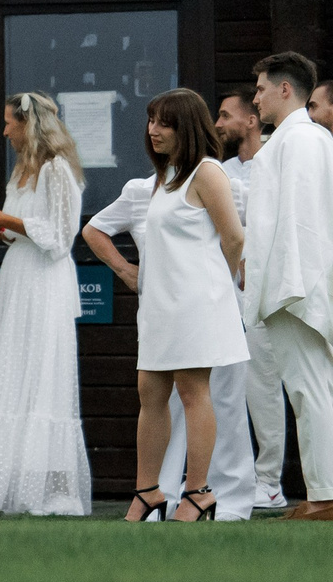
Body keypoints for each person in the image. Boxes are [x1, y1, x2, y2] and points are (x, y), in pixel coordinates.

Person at [99, 90, 247, 521]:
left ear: (187, 126)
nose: (153, 130)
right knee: (150, 391)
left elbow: (234, 237)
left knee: (192, 391)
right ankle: (149, 493)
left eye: (164, 122)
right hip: (162, 306)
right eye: (150, 121)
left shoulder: (207, 172)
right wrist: (129, 272)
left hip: (197, 303)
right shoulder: (165, 177)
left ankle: (198, 494)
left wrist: (219, 281)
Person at [0, 94, 91, 515]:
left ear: (30, 125)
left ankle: (49, 489)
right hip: (18, 277)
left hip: (46, 281)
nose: (4, 130)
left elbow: (61, 236)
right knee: (12, 368)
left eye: (10, 123)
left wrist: (6, 221)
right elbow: (23, 231)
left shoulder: (57, 170)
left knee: (43, 371)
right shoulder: (22, 172)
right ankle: (9, 482)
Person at [241, 51, 333, 520]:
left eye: (259, 88)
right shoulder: (295, 139)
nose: (254, 97)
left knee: (308, 387)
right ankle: (323, 492)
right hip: (289, 282)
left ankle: (324, 497)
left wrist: (291, 288)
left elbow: (302, 218)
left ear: (284, 89)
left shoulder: (301, 139)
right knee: (308, 387)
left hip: (295, 285)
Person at [216, 92, 286, 509]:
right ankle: (231, 478)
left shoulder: (277, 160)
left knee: (268, 387)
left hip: (273, 289)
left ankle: (270, 482)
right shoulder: (217, 172)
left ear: (251, 120)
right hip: (229, 296)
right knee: (234, 387)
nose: (218, 123)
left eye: (226, 115)